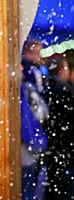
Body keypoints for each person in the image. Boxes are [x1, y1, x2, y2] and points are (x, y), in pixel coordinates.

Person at [20, 39, 49, 200]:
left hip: (28, 144)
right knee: (27, 187)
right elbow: (33, 115)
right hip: (26, 147)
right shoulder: (30, 74)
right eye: (37, 52)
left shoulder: (31, 73)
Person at [42, 57, 74, 199]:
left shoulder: (47, 88)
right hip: (65, 148)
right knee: (64, 186)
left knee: (55, 184)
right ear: (62, 71)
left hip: (55, 148)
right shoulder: (64, 91)